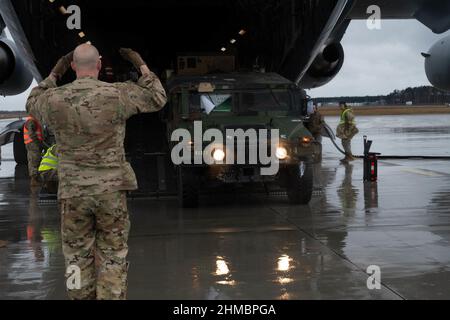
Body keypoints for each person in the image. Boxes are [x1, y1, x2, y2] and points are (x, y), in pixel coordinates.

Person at [26, 44, 167, 300]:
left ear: (72, 66)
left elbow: (31, 101)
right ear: (99, 65)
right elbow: (157, 97)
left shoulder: (55, 99)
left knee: (76, 256)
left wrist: (54, 75)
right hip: (110, 192)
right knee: (113, 255)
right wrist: (140, 64)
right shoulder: (117, 94)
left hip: (73, 194)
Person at [23, 115, 44, 186]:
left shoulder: (34, 119)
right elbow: (31, 133)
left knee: (35, 159)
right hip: (33, 143)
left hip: (33, 143)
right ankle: (34, 180)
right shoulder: (31, 120)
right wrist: (38, 141)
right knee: (34, 160)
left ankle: (36, 178)